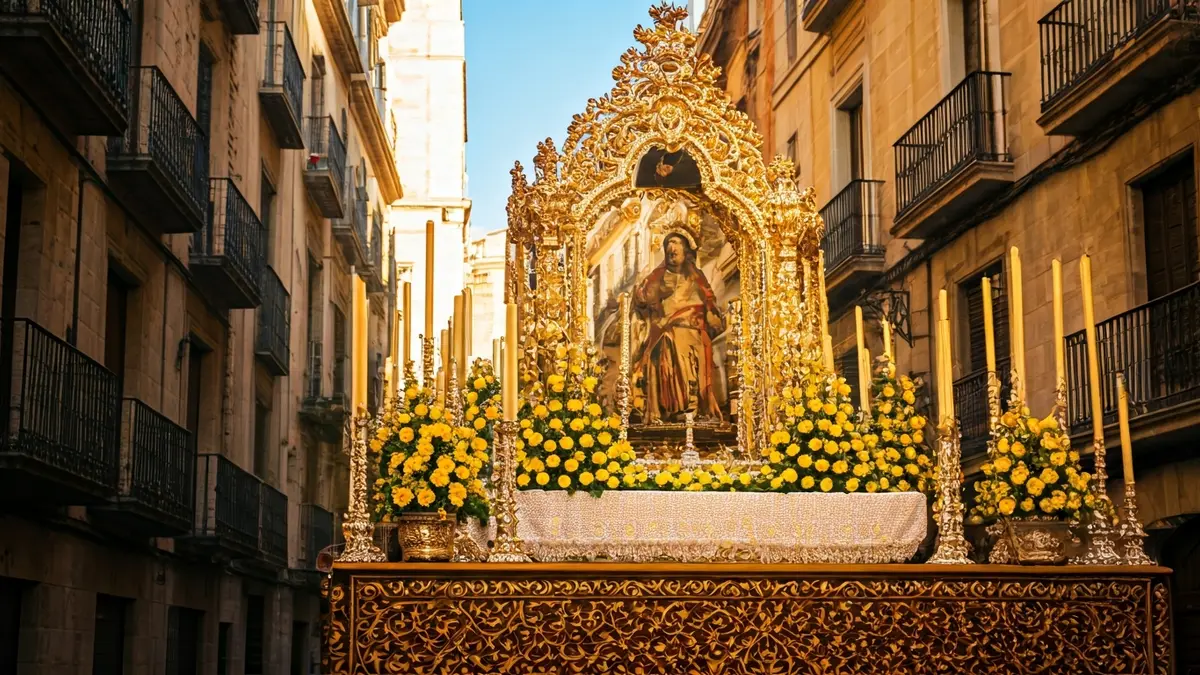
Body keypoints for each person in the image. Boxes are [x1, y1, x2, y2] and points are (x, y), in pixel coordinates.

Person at [631, 231, 724, 423]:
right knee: (665, 345)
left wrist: (705, 315)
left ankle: (692, 404)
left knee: (686, 351)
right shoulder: (657, 277)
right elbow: (643, 302)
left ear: (686, 249)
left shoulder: (697, 277)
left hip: (693, 330)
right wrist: (639, 296)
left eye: (676, 243)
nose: (671, 248)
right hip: (664, 331)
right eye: (668, 244)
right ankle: (671, 407)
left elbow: (710, 304)